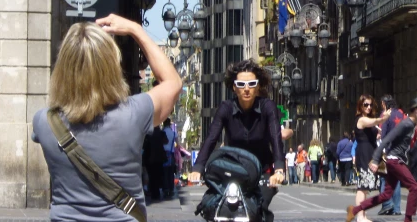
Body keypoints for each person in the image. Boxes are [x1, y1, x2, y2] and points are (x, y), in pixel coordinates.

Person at [31, 15, 182, 221]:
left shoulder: (44, 122)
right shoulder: (134, 114)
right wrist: (136, 30)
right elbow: (172, 82)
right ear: (111, 67)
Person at [190, 59, 285, 222]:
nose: (246, 89)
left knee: (257, 209)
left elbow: (276, 138)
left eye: (251, 84)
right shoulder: (226, 108)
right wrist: (197, 168)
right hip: (234, 170)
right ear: (234, 87)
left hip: (263, 171)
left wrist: (279, 170)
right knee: (218, 207)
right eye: (241, 84)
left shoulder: (268, 107)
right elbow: (211, 138)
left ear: (257, 87)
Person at [347, 97, 417, 222]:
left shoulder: (412, 123)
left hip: (397, 159)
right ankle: (408, 219)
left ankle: (355, 210)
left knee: (386, 195)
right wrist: (375, 159)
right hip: (394, 160)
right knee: (415, 187)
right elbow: (387, 139)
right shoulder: (406, 123)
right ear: (416, 111)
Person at [353, 95, 390, 222]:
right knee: (362, 186)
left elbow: (374, 128)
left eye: (370, 105)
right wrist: (383, 118)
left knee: (367, 187)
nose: (369, 107)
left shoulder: (367, 119)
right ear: (360, 106)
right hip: (364, 153)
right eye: (366, 105)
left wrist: (378, 134)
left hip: (371, 152)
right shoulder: (361, 119)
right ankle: (360, 216)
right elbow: (374, 122)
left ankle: (362, 215)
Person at [378, 95, 404, 216]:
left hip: (388, 151)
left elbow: (383, 136)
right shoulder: (401, 114)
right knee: (397, 180)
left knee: (384, 178)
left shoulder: (385, 115)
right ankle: (397, 208)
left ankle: (387, 205)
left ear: (384, 104)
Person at [162, 118, 178, 198]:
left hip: (164, 153)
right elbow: (177, 142)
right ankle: (171, 188)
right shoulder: (173, 132)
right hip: (171, 153)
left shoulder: (163, 132)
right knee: (171, 172)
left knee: (164, 172)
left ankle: (165, 188)